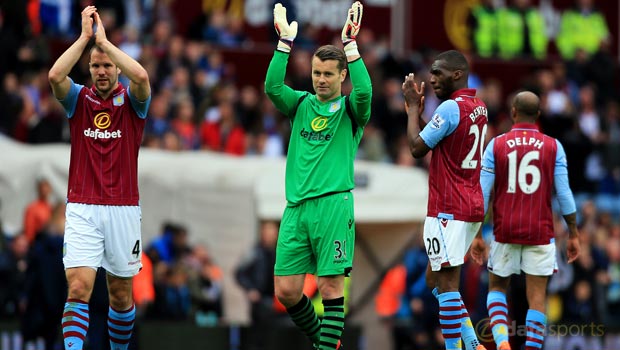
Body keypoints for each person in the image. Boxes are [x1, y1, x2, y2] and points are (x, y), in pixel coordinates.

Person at [264, 2, 372, 349]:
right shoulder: (300, 104)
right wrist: (284, 44)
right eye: (316, 73)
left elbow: (366, 92)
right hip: (296, 209)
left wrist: (350, 46)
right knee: (287, 291)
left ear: (342, 76)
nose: (321, 80)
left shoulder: (350, 112)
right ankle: (330, 344)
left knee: (329, 288)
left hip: (332, 206)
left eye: (328, 74)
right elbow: (271, 88)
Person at [47, 5, 151, 350]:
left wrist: (106, 43)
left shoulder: (133, 102)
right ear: (88, 70)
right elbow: (54, 76)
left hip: (123, 208)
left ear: (116, 68)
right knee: (78, 287)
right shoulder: (79, 100)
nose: (102, 71)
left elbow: (141, 77)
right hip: (82, 207)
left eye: (107, 65)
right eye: (96, 66)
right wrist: (85, 39)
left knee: (120, 294)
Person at [470, 91, 581, 350]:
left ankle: (502, 344)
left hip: (504, 229)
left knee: (497, 287)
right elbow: (564, 194)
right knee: (537, 297)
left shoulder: (496, 145)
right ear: (539, 115)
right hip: (540, 231)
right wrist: (573, 232)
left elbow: (483, 193)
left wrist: (477, 234)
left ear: (513, 113)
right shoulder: (554, 147)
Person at [401, 49, 488, 350]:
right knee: (433, 281)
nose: (432, 78)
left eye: (438, 73)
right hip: (471, 206)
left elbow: (416, 148)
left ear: (457, 74)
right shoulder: (479, 107)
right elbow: (445, 140)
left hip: (448, 209)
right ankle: (473, 344)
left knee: (447, 286)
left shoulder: (450, 108)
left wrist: (413, 109)